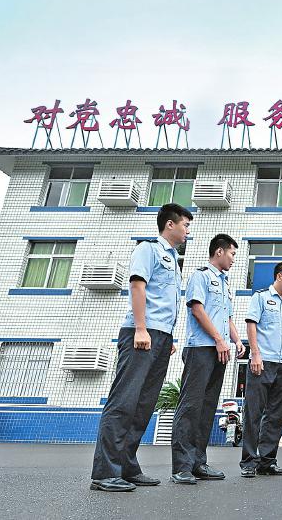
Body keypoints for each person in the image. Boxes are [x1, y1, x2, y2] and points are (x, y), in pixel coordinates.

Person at [91, 203, 193, 492]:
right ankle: (105, 473)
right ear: (170, 224)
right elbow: (138, 286)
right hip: (141, 333)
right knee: (124, 401)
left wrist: (167, 336)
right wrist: (140, 328)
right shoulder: (148, 249)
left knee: (143, 404)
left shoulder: (173, 258)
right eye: (185, 225)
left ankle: (126, 466)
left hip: (160, 336)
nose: (187, 231)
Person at [171, 234, 245, 484]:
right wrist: (219, 339)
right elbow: (197, 309)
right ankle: (181, 466)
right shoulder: (201, 276)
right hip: (201, 348)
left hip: (219, 351)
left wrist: (237, 340)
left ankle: (198, 463)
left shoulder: (225, 283)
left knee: (206, 407)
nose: (234, 259)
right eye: (232, 254)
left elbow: (227, 317)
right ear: (220, 251)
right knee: (191, 406)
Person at [240, 261, 282, 478]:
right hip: (262, 361)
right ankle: (249, 461)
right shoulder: (261, 297)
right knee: (254, 412)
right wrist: (255, 354)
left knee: (277, 414)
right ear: (279, 276)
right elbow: (251, 325)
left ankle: (267, 461)